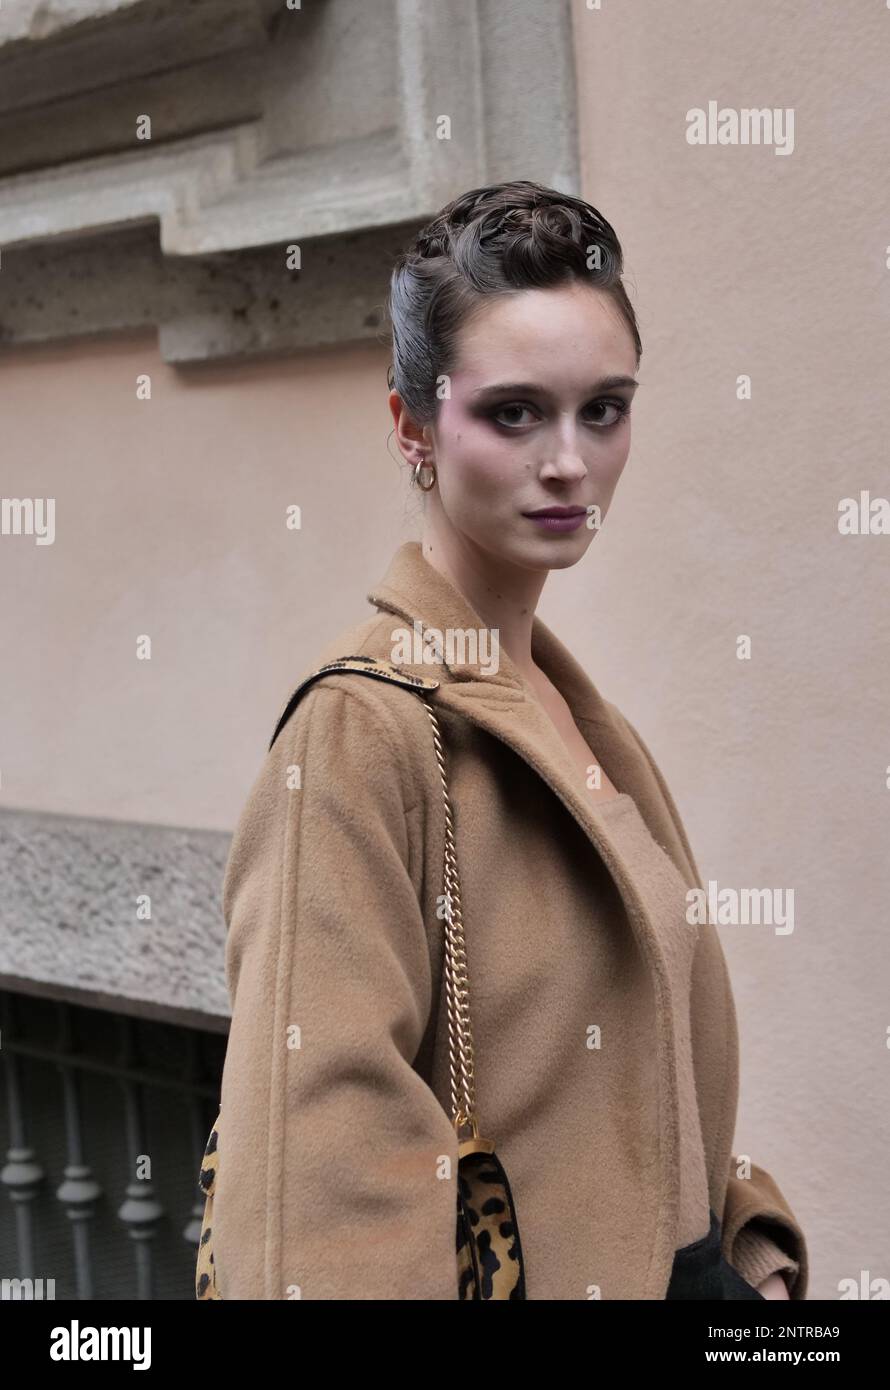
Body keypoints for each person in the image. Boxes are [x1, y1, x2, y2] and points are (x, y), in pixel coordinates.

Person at [205, 179, 808, 1300]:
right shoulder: (359, 731)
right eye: (514, 412)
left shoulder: (582, 720)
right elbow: (317, 1215)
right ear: (412, 425)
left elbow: (640, 1079)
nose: (569, 460)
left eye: (603, 408)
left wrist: (749, 1259)